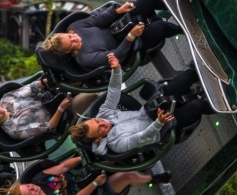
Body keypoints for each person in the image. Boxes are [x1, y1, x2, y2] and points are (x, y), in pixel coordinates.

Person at [69, 53, 211, 155]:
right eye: (100, 129)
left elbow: (113, 91)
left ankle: (206, 66)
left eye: (98, 121)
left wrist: (117, 70)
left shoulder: (103, 115)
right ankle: (224, 106)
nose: (103, 123)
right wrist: (159, 123)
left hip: (151, 111)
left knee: (188, 76)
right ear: (98, 139)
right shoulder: (117, 145)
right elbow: (141, 138)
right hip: (163, 128)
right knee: (198, 105)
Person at [0, 155, 170, 195]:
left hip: (84, 175)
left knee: (109, 155)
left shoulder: (38, 178)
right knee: (127, 176)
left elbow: (65, 167)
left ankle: (143, 154)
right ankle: (155, 177)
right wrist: (96, 183)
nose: (32, 187)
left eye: (28, 186)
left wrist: (83, 158)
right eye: (29, 191)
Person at [40, 0, 182, 71]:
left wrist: (119, 10)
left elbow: (99, 19)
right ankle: (184, 29)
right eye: (71, 44)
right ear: (67, 52)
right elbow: (117, 56)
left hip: (119, 27)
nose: (74, 39)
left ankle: (178, 3)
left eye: (70, 36)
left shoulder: (75, 27)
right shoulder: (85, 59)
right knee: (160, 26)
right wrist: (131, 35)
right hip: (129, 49)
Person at [0, 77, 77, 140]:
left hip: (54, 95)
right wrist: (61, 108)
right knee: (89, 96)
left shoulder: (6, 99)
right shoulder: (16, 130)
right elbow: (50, 126)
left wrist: (48, 80)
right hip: (63, 115)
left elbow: (33, 87)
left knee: (74, 78)